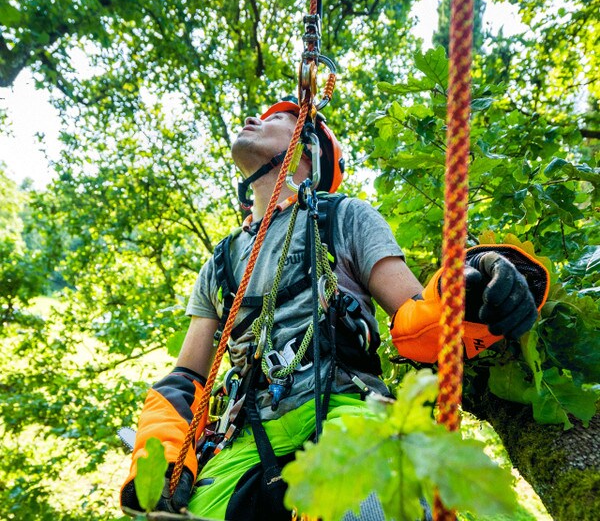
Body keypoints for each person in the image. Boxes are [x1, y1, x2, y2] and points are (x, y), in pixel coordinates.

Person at [120, 97, 549, 520]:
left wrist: (475, 289)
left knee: (372, 507)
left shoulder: (342, 217)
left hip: (345, 405)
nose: (253, 118)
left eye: (281, 119)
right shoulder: (222, 261)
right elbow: (188, 375)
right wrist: (161, 460)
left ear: (307, 150)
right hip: (248, 434)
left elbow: (417, 316)